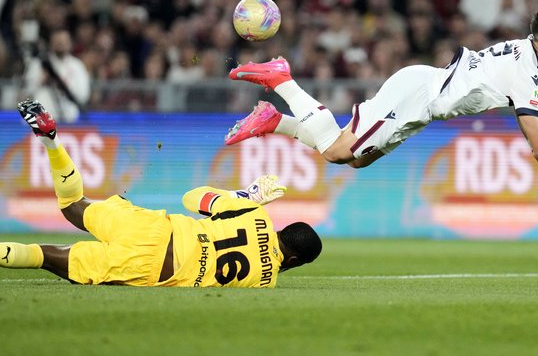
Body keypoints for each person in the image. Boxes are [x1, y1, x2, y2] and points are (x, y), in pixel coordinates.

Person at [224, 7, 538, 210]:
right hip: (416, 96)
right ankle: (281, 80)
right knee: (337, 152)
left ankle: (275, 119)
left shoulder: (526, 49)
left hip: (424, 98)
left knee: (355, 160)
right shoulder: (525, 78)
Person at [1, 99, 322, 287]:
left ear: (282, 228)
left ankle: (52, 143)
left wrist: (246, 197)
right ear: (293, 260)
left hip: (155, 226)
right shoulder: (265, 282)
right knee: (43, 256)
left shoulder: (256, 214)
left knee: (73, 205)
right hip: (153, 265)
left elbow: (191, 199)